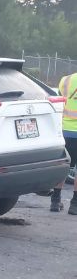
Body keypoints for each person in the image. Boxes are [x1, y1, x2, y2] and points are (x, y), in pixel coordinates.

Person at [51, 71, 77, 213]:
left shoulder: (65, 80)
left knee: (62, 166)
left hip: (64, 129)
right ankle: (74, 205)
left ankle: (55, 201)